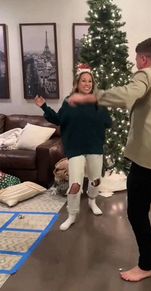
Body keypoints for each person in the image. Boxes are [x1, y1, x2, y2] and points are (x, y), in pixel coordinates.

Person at [67, 38, 151, 281]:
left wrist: (91, 97)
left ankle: (146, 265)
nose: (136, 62)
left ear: (144, 58)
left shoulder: (146, 75)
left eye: (136, 58)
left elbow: (126, 95)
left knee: (136, 212)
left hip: (146, 160)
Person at [35, 65, 112, 231]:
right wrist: (44, 107)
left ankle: (92, 200)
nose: (87, 84)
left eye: (89, 81)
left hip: (94, 146)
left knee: (95, 179)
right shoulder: (69, 101)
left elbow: (108, 123)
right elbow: (58, 119)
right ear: (78, 83)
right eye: (83, 80)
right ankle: (72, 214)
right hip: (75, 147)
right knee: (75, 184)